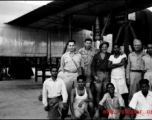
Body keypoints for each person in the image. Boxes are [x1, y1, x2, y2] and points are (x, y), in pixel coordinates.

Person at [91, 41, 110, 108]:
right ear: (100, 48)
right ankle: (98, 108)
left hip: (107, 74)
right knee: (98, 93)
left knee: (105, 92)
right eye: (103, 47)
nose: (104, 48)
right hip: (98, 73)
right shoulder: (96, 56)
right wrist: (94, 75)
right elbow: (92, 66)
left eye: (105, 47)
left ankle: (104, 108)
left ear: (107, 47)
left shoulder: (109, 55)